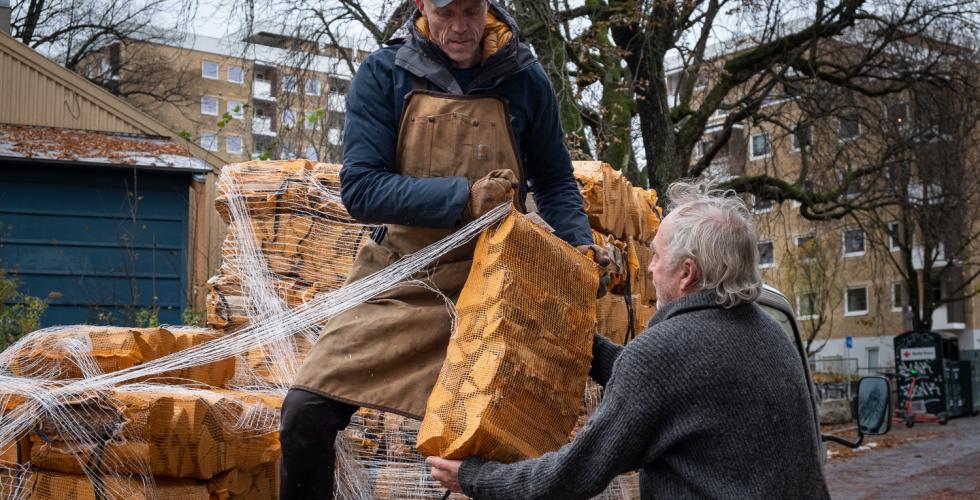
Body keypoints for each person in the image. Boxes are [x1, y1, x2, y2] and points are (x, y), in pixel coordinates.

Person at [279, 0, 608, 497]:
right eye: (445, 12)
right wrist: (463, 198)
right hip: (400, 275)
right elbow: (362, 190)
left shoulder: (524, 77)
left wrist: (580, 248)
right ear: (420, 6)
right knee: (304, 410)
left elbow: (557, 181)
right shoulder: (384, 73)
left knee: (507, 429)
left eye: (471, 12)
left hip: (499, 277)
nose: (459, 28)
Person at [427, 181, 831, 499]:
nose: (650, 268)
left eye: (655, 257)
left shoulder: (664, 355)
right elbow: (671, 385)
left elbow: (573, 475)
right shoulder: (771, 338)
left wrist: (475, 477)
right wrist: (575, 338)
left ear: (686, 273)